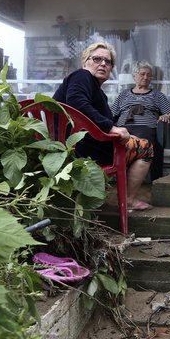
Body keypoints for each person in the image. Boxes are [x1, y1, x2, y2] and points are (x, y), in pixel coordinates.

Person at [53, 40, 154, 212]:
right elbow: (77, 102)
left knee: (135, 140)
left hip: (76, 146)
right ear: (85, 62)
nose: (103, 64)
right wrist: (111, 128)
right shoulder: (82, 76)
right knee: (146, 148)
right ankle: (128, 200)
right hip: (81, 149)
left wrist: (116, 129)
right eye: (97, 59)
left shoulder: (96, 90)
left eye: (108, 61)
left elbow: (93, 115)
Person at [111, 61, 170, 181]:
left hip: (145, 129)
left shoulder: (157, 95)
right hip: (123, 128)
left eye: (149, 75)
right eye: (142, 74)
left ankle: (125, 176)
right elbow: (111, 114)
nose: (146, 77)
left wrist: (167, 116)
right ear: (134, 76)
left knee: (138, 143)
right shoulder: (124, 94)